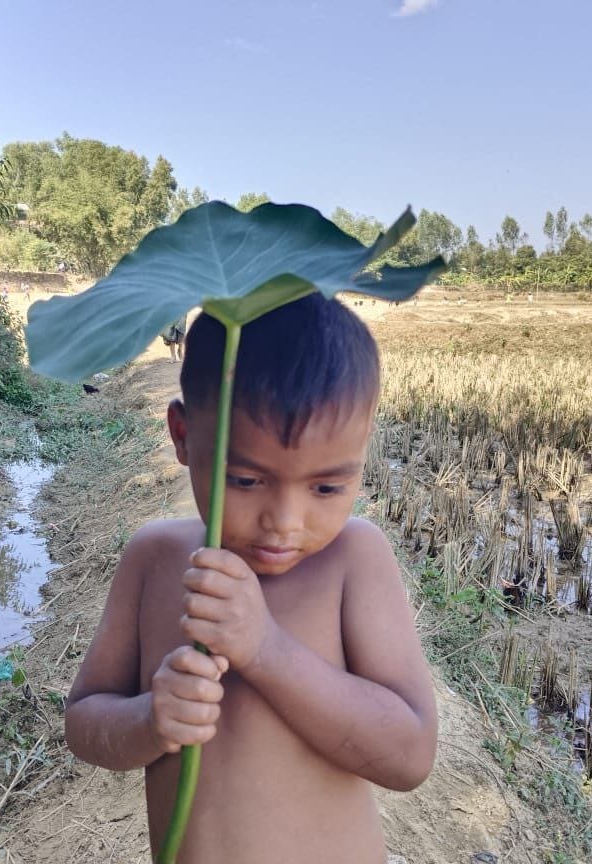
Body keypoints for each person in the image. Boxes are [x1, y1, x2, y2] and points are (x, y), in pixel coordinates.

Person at [64, 294, 437, 864]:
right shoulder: (154, 560)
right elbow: (85, 720)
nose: (285, 523)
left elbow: (409, 755)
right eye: (245, 479)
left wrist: (264, 648)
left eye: (327, 488)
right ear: (183, 435)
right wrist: (150, 720)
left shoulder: (354, 561)